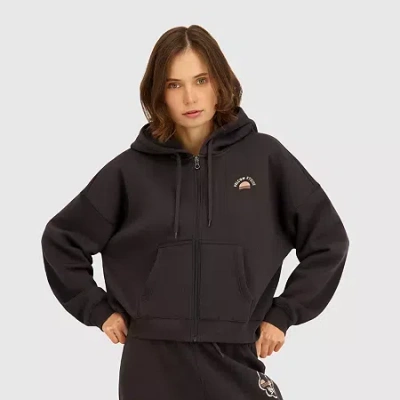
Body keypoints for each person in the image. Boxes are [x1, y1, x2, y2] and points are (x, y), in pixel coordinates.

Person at [41, 24, 350, 400]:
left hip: (234, 352)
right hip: (151, 363)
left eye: (201, 80)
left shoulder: (266, 159)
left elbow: (328, 241)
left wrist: (284, 313)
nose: (190, 97)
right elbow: (62, 240)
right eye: (174, 85)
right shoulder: (129, 171)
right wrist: (98, 310)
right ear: (159, 94)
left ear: (220, 82)